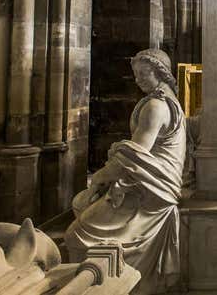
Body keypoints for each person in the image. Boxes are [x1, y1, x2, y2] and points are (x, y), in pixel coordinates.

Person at [65, 48, 186, 295]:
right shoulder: (167, 100)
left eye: (143, 74)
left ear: (159, 73)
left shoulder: (156, 106)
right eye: (135, 74)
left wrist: (100, 178)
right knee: (82, 210)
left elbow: (135, 156)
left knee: (76, 235)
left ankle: (104, 287)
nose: (137, 80)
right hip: (145, 183)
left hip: (150, 190)